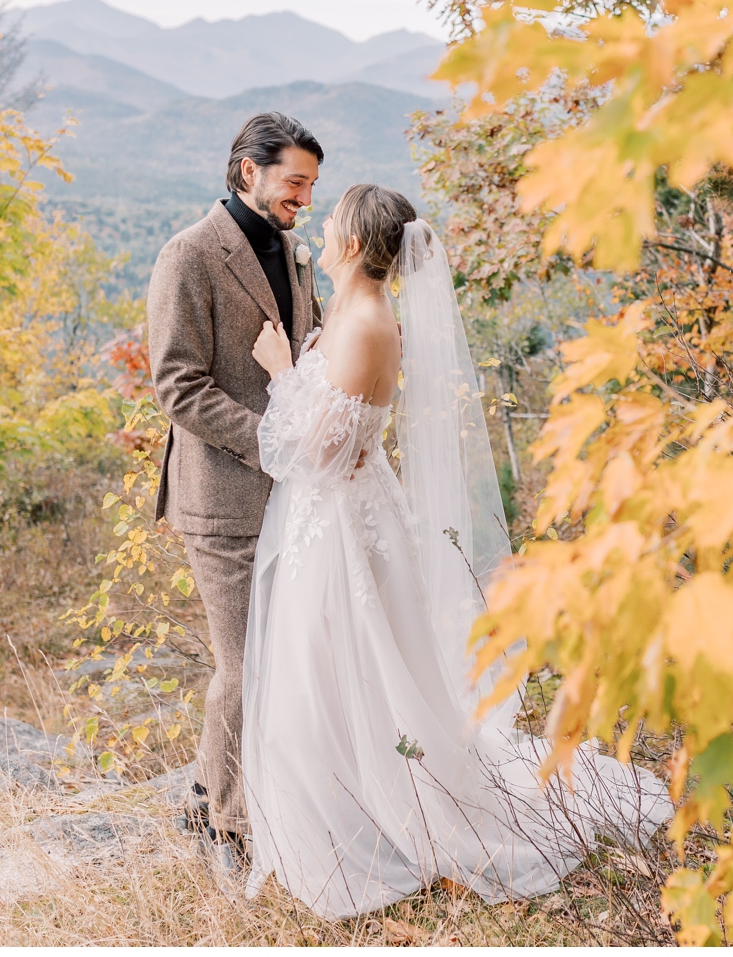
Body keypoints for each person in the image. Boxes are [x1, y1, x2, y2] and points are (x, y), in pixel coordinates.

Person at [241, 183, 673, 918]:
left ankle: (369, 823)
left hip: (345, 527)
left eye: (331, 220)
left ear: (352, 244)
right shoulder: (353, 309)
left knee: (344, 671)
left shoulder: (368, 323)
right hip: (338, 518)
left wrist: (283, 373)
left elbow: (316, 452)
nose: (320, 225)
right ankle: (340, 806)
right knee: (334, 677)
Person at [146, 112, 324, 875]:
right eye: (295, 183)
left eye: (312, 186)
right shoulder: (188, 254)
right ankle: (227, 827)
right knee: (246, 665)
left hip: (290, 496)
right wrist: (269, 439)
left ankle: (199, 791)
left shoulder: (292, 251)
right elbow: (175, 383)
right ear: (247, 170)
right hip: (220, 496)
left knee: (272, 659)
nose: (304, 200)